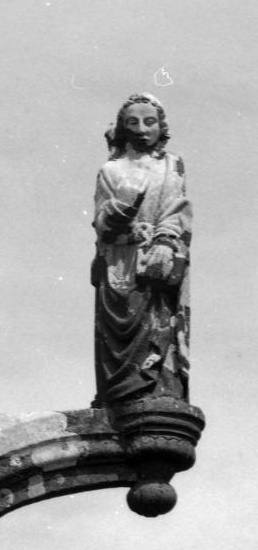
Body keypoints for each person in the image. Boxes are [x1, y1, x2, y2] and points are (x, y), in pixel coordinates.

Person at [92, 94, 191, 406]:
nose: (142, 129)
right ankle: (119, 394)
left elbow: (176, 210)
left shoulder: (171, 165)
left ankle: (160, 390)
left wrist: (165, 240)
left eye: (149, 122)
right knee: (118, 337)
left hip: (158, 259)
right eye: (132, 122)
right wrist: (124, 208)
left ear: (161, 127)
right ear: (123, 128)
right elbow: (102, 223)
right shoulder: (111, 170)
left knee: (158, 326)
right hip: (120, 264)